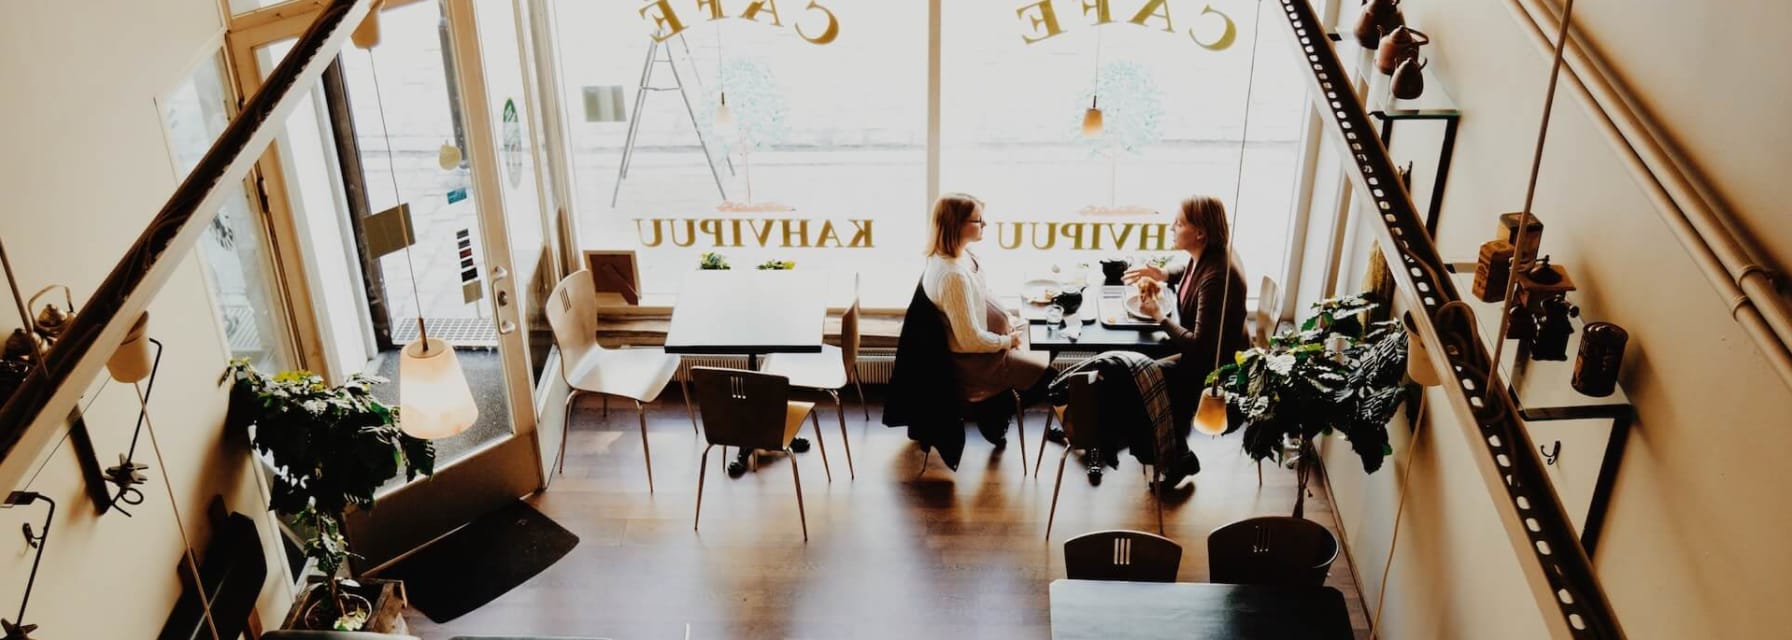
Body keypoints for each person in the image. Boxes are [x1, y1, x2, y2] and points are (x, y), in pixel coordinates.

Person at [922, 193, 1051, 445]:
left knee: (1048, 339)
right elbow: (969, 341)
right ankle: (993, 413)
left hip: (997, 342)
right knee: (1051, 382)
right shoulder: (952, 276)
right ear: (956, 224)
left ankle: (995, 411)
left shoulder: (963, 254)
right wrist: (1007, 341)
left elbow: (980, 297)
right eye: (978, 220)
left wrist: (1008, 319)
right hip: (981, 361)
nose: (985, 224)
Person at [1127, 195, 1250, 431]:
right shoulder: (1212, 253)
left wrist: (1159, 316)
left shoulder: (1217, 278)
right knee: (1130, 361)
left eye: (1180, 223)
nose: (1171, 227)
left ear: (1200, 233)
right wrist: (1162, 274)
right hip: (1195, 354)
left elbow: (1199, 347)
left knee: (1130, 376)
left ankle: (1161, 442)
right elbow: (1190, 269)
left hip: (1207, 373)